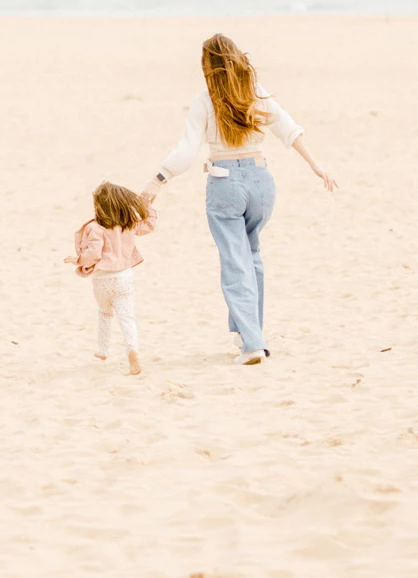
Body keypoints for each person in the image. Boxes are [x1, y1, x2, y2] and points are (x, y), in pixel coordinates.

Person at [141, 33, 336, 366]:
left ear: (207, 67)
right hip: (262, 182)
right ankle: (246, 332)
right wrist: (316, 166)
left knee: (235, 262)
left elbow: (186, 152)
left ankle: (252, 344)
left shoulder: (205, 101)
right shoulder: (256, 94)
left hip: (225, 183)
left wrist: (157, 182)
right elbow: (289, 129)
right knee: (251, 254)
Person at [64, 182, 157, 376]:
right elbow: (149, 225)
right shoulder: (129, 223)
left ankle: (103, 350)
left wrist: (79, 260)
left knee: (105, 313)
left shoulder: (95, 227)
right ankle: (132, 350)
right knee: (127, 317)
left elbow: (94, 253)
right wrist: (148, 207)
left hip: (102, 280)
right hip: (124, 277)